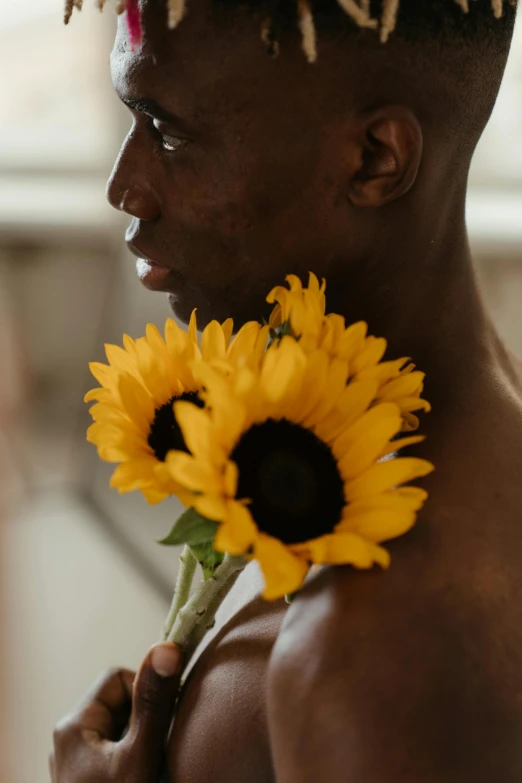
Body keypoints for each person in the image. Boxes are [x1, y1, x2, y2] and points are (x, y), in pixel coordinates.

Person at [50, 0, 522, 780]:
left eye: (168, 133)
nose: (124, 186)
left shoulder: (369, 665)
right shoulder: (482, 439)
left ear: (375, 159)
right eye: (129, 117)